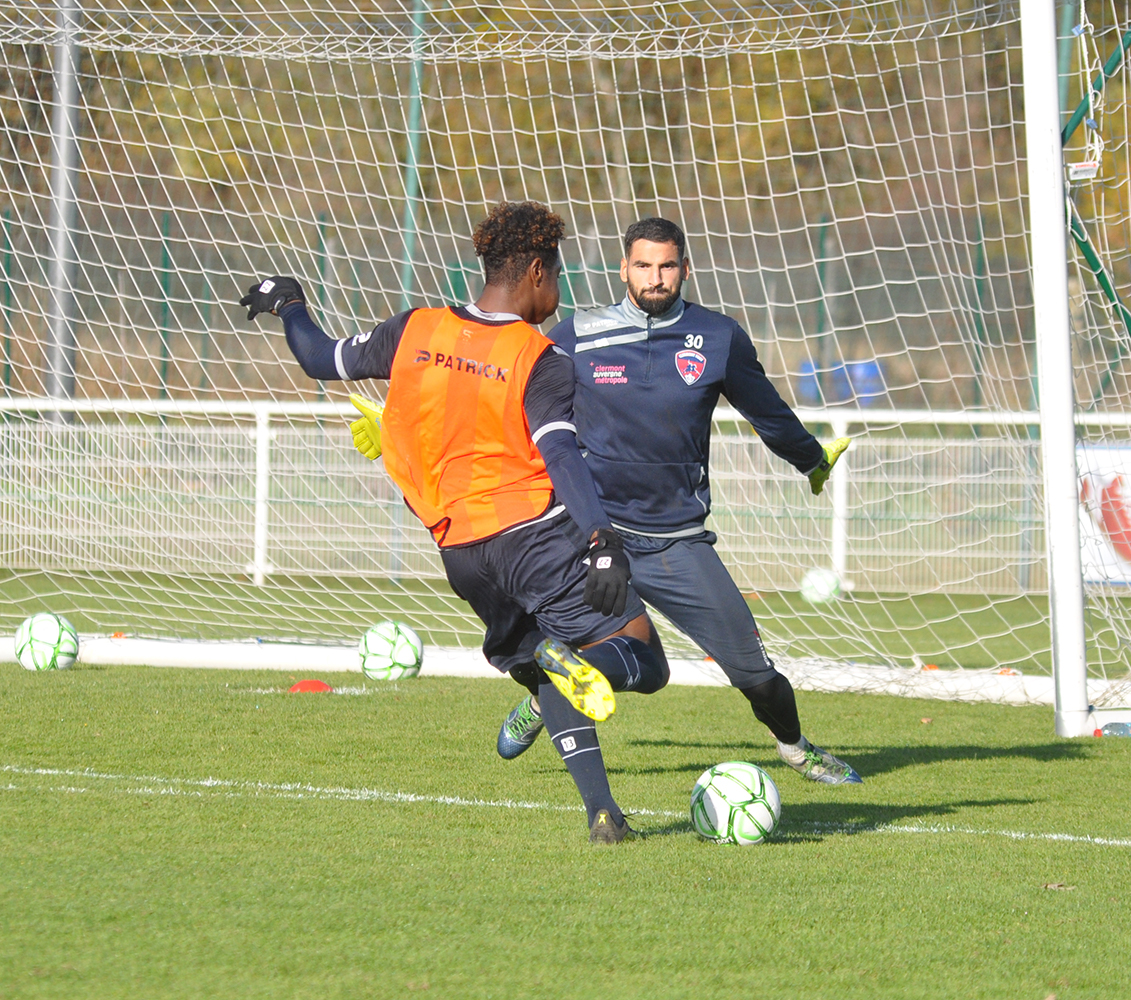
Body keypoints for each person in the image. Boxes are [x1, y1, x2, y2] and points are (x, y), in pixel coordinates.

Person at [238, 202, 669, 843]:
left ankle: (604, 815)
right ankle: (587, 689)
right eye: (556, 275)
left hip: (463, 554)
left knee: (547, 667)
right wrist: (604, 540)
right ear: (533, 271)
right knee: (644, 658)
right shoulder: (538, 355)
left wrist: (291, 304)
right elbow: (559, 452)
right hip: (538, 539)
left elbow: (320, 360)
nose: (558, 291)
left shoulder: (417, 328)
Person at [533, 216, 860, 783]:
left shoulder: (717, 337)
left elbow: (770, 414)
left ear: (685, 269)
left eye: (666, 266)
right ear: (623, 269)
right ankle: (539, 701)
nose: (655, 278)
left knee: (757, 674)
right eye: (643, 265)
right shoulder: (575, 337)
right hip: (592, 535)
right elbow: (515, 402)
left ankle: (795, 748)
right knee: (571, 648)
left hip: (676, 541)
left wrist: (812, 458)